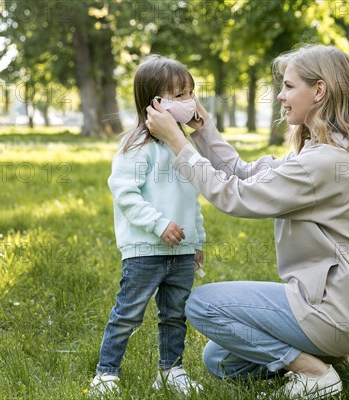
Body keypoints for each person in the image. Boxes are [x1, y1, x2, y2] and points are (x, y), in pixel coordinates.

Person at [146, 44, 349, 399]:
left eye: (290, 86)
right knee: (220, 360)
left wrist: (176, 142)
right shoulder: (322, 152)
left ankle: (314, 374)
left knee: (201, 305)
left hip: (333, 307)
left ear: (319, 90)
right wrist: (201, 131)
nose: (280, 96)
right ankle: (335, 354)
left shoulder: (320, 163)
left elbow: (236, 196)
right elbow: (244, 174)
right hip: (346, 306)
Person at [90, 55, 206, 397]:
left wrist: (196, 240)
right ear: (157, 103)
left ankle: (171, 371)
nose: (190, 102)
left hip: (181, 251)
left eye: (190, 93)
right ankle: (106, 373)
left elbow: (191, 198)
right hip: (145, 250)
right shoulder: (136, 147)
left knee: (175, 315)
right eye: (181, 95)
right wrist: (158, 224)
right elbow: (124, 195)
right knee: (128, 313)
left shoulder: (184, 148)